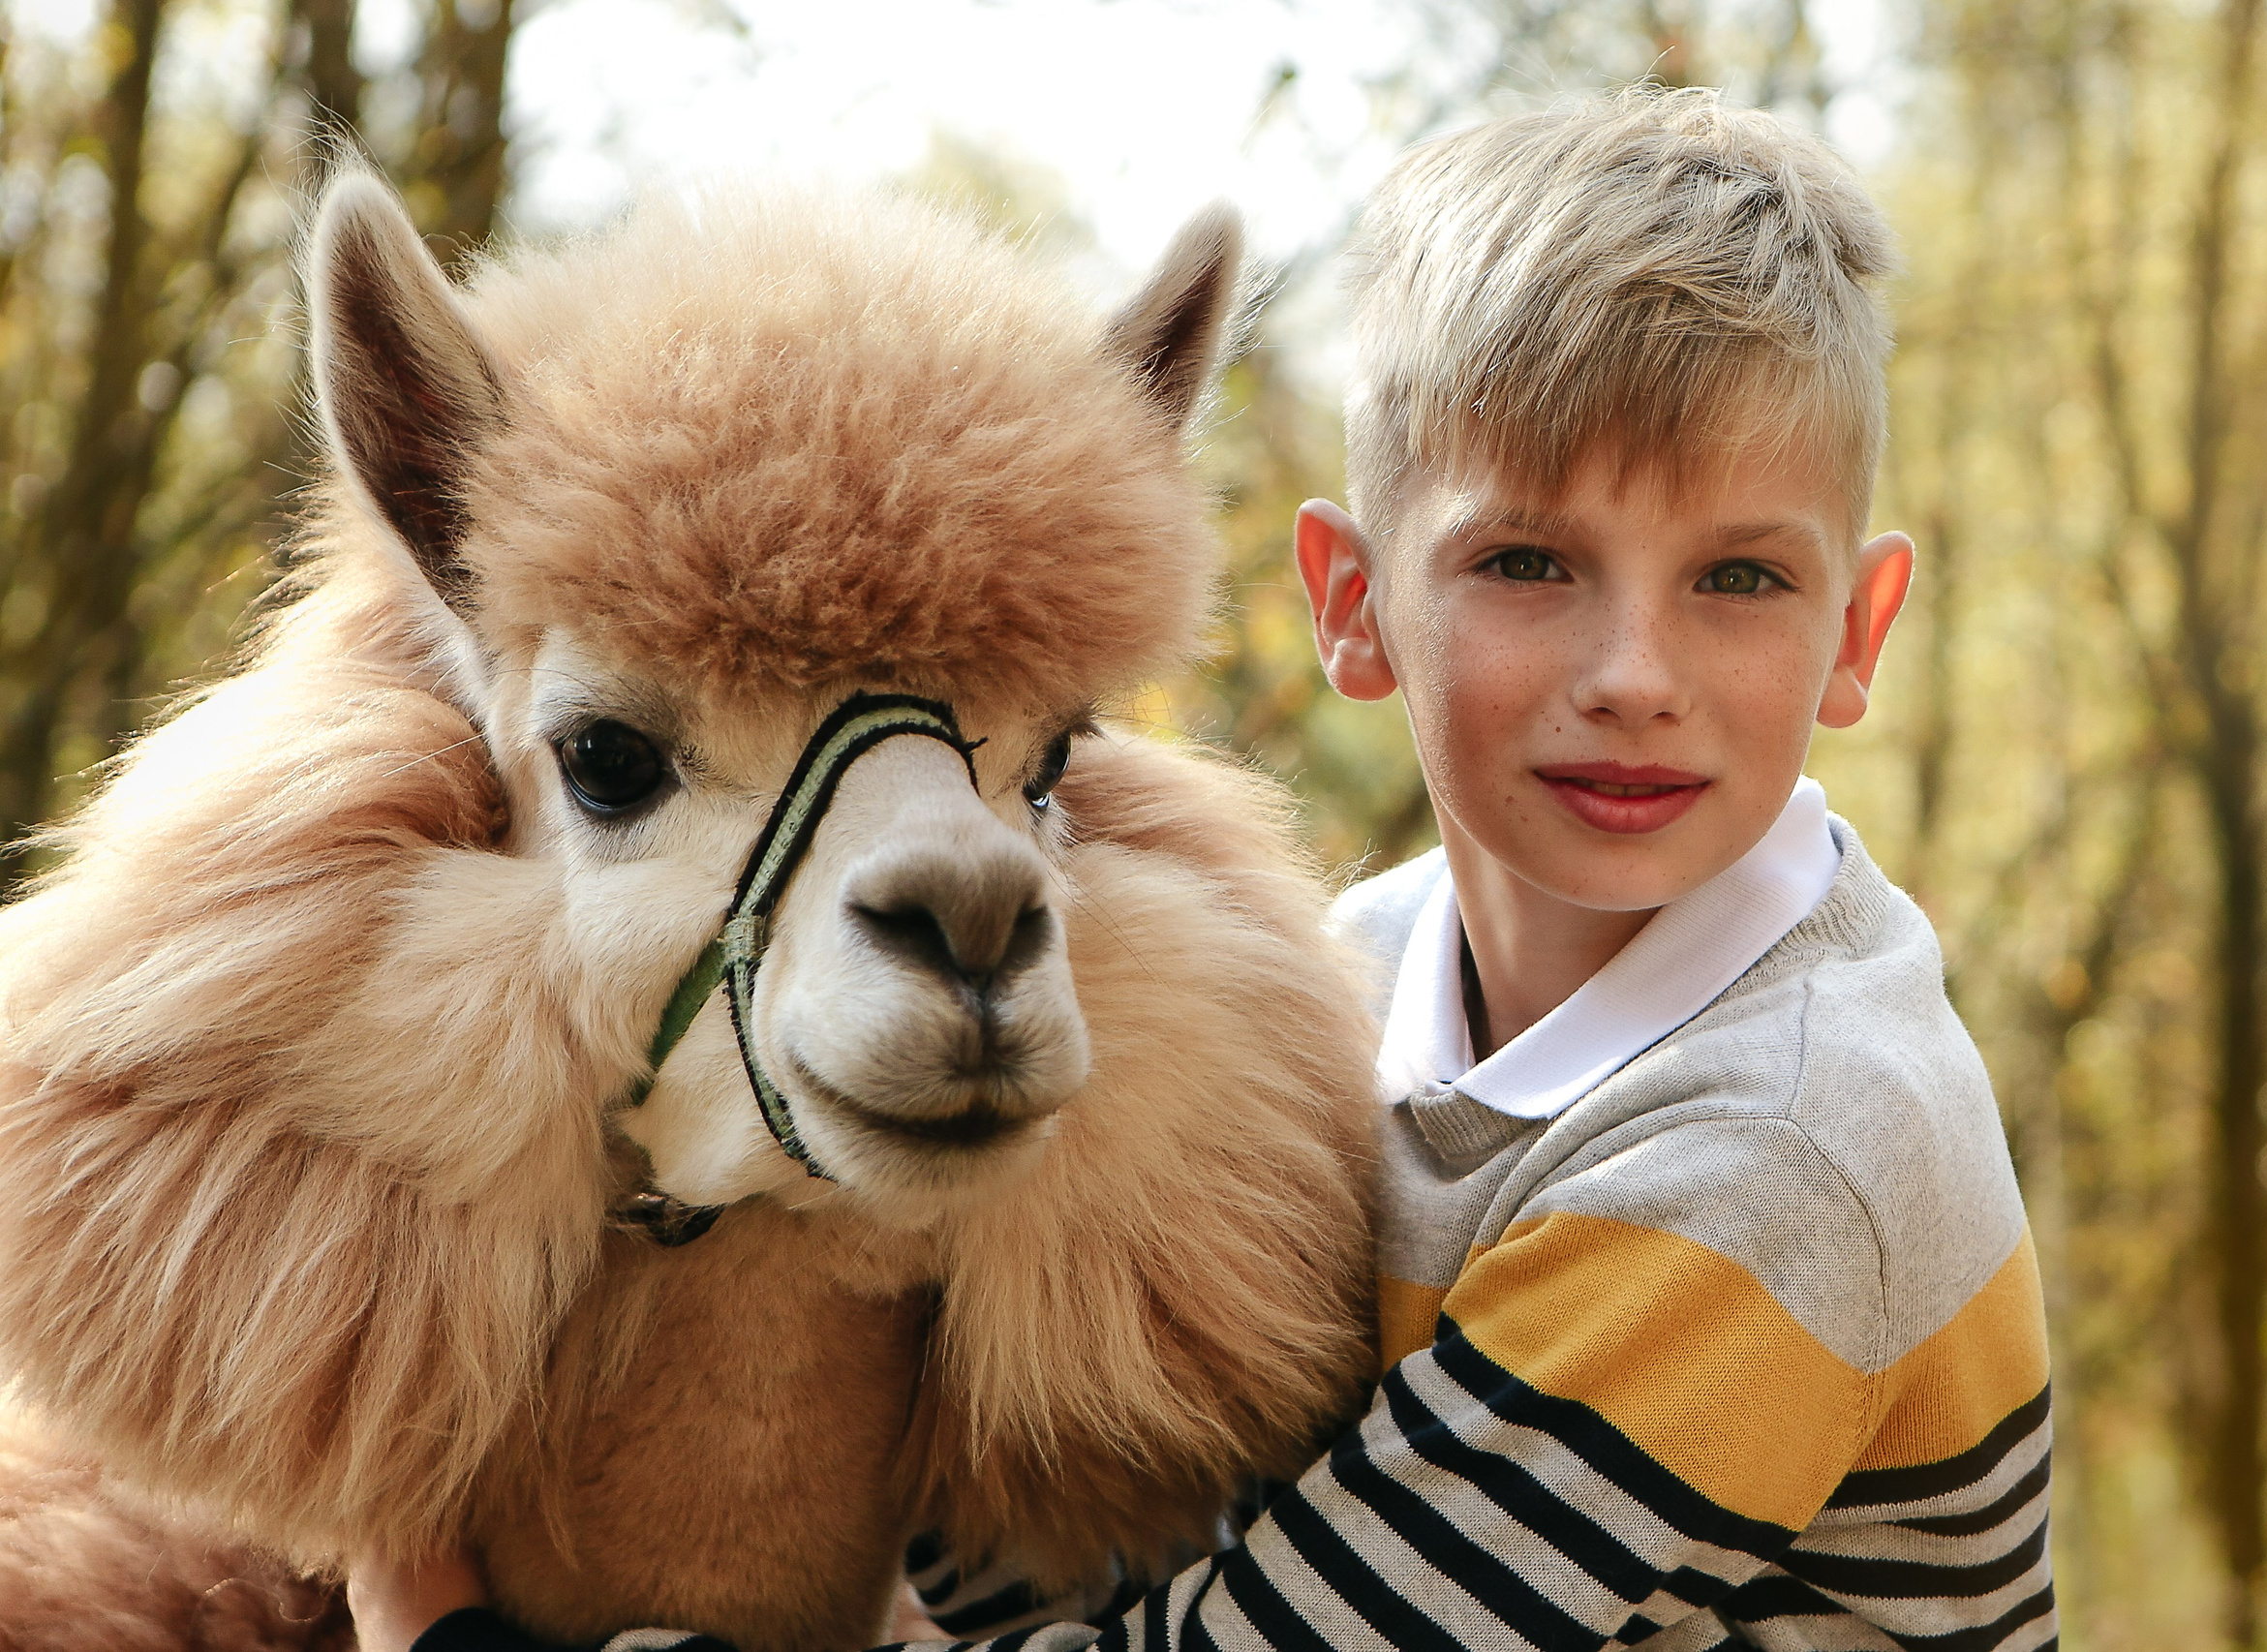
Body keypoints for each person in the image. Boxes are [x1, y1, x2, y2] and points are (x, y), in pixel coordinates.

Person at [357, 86, 2056, 1652]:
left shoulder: (1790, 1145)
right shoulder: (1371, 970)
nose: (1634, 674)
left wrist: (446, 1635)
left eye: (1741, 579)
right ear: (1351, 604)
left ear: (1860, 631)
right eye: (1528, 562)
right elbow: (1078, 1551)